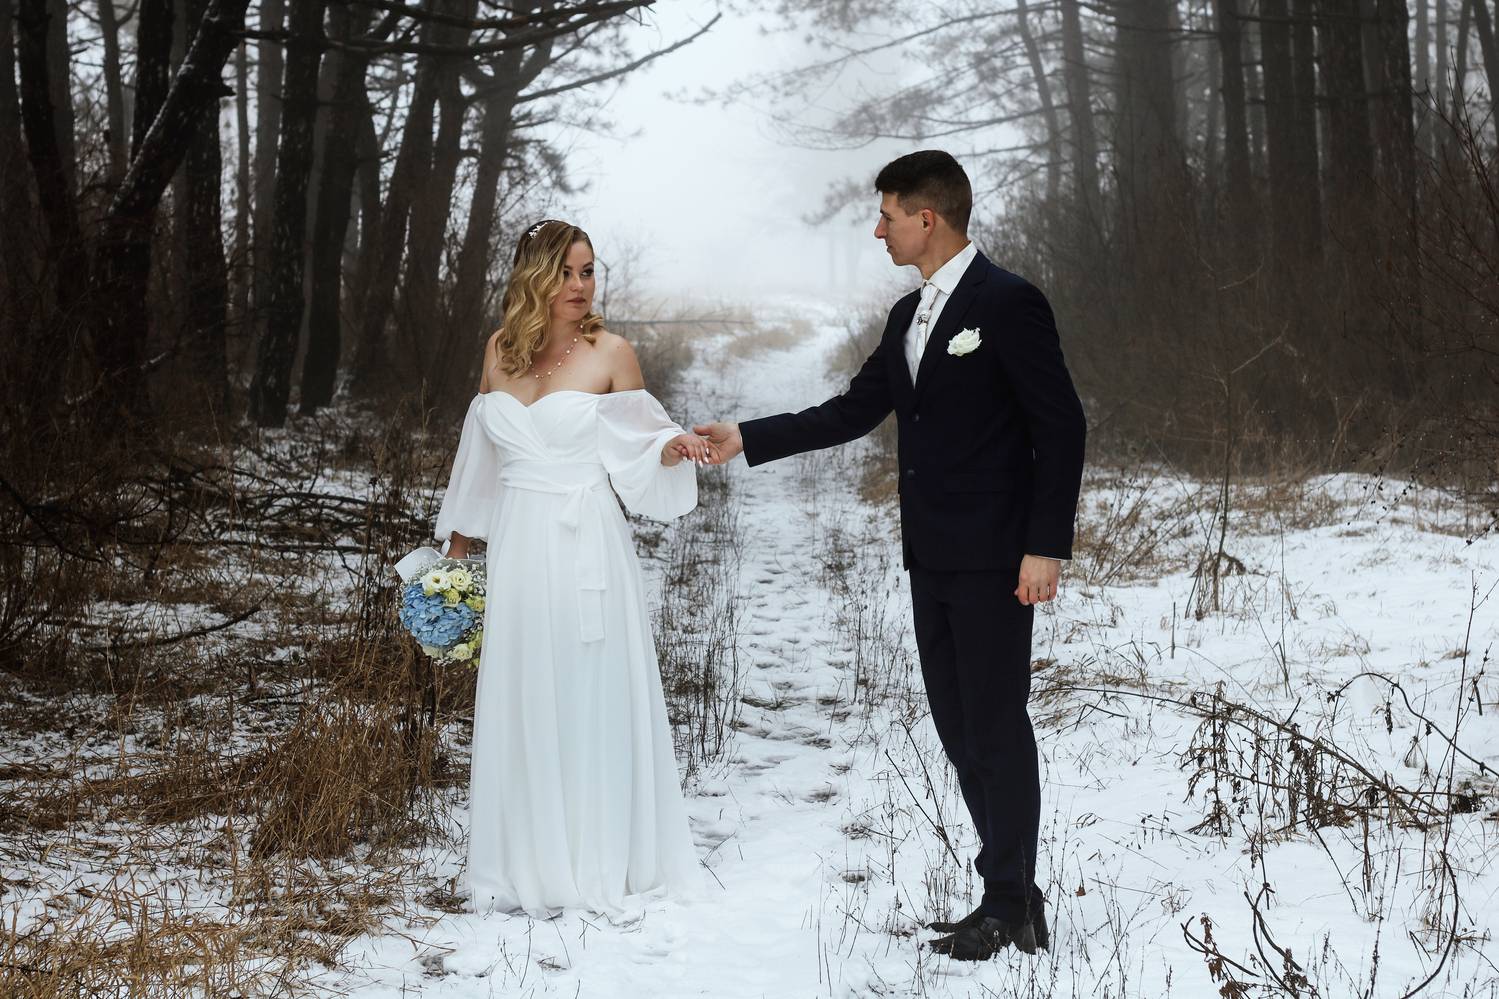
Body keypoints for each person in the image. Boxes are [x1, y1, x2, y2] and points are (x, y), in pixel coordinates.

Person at [695, 151, 1086, 961]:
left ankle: (1008, 900)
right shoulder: (907, 314)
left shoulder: (1007, 302)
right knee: (958, 728)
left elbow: (1060, 426)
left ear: (926, 217)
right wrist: (746, 437)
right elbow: (852, 410)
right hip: (930, 555)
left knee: (995, 724)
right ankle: (1011, 894)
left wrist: (1044, 546)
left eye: (887, 215)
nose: (878, 230)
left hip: (996, 558)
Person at [434, 218, 716, 919]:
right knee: (525, 685)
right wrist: (454, 565)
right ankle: (525, 858)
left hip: (587, 540)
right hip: (518, 544)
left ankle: (597, 854)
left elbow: (642, 445)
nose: (580, 285)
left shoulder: (612, 353)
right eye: (564, 272)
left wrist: (669, 448)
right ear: (532, 275)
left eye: (588, 271)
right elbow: (480, 462)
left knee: (589, 686)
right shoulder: (498, 350)